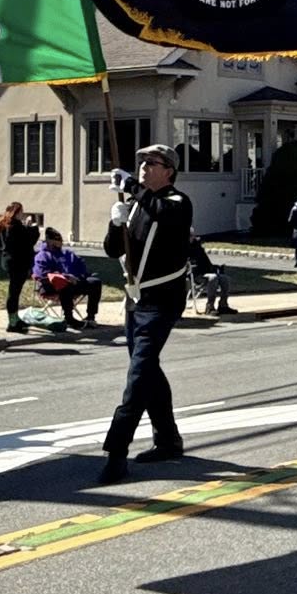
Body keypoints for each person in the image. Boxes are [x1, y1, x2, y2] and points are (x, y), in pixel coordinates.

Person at [100, 143, 194, 482]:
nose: (142, 166)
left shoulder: (176, 202)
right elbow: (113, 250)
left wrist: (132, 190)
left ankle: (116, 451)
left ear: (168, 170)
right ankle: (167, 439)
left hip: (163, 300)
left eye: (150, 162)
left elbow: (164, 212)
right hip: (135, 300)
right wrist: (116, 222)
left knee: (138, 377)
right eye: (140, 161)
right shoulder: (139, 205)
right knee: (148, 369)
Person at [32, 228, 102, 327]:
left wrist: (80, 277)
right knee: (64, 284)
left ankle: (91, 317)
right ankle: (69, 318)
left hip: (74, 283)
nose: (60, 242)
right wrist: (66, 277)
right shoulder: (42, 256)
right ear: (49, 241)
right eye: (57, 239)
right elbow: (43, 274)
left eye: (60, 239)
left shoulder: (67, 254)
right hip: (52, 286)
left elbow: (81, 265)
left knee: (95, 282)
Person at [0, 202, 39, 332]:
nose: (23, 214)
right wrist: (33, 227)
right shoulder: (15, 227)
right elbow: (28, 241)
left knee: (14, 291)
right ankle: (12, 322)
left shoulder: (6, 224)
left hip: (10, 262)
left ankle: (15, 318)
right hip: (18, 263)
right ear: (17, 213)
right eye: (21, 212)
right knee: (14, 292)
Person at [187, 232, 237, 315]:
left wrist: (213, 267)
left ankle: (223, 305)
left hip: (205, 272)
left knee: (225, 278)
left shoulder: (197, 247)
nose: (193, 237)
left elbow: (205, 261)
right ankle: (210, 307)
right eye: (190, 236)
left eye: (193, 235)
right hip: (194, 275)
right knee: (213, 278)